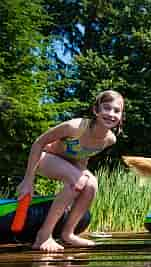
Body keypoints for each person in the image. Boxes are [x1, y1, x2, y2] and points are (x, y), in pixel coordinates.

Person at [16, 90, 124, 252]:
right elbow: (38, 143)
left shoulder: (109, 140)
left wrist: (83, 170)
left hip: (68, 163)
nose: (111, 114)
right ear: (96, 110)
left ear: (121, 115)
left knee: (92, 184)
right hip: (43, 157)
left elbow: (83, 155)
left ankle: (68, 234)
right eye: (106, 108)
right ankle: (43, 236)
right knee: (77, 180)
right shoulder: (75, 127)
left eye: (116, 110)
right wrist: (28, 180)